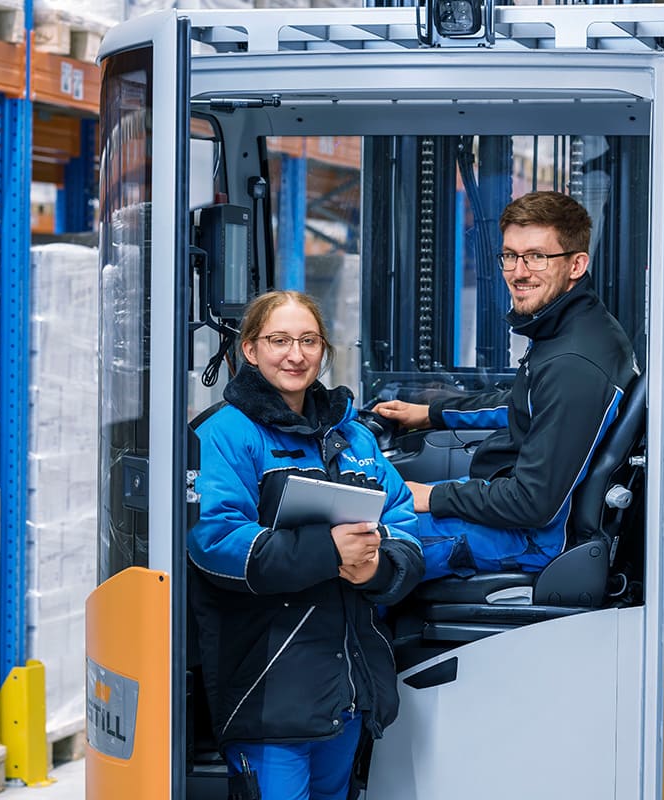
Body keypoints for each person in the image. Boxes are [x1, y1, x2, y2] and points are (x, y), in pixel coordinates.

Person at [189, 290, 423, 800]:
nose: (295, 355)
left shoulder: (354, 438)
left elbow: (404, 523)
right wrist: (329, 552)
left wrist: (378, 568)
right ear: (250, 350)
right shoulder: (224, 434)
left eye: (309, 341)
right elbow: (215, 541)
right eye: (279, 340)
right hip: (269, 691)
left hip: (347, 691)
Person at [373, 191, 638, 581]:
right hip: (510, 501)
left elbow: (533, 503)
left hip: (531, 538)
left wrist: (433, 496)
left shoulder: (572, 364)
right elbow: (525, 402)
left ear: (576, 264)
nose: (518, 272)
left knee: (362, 541)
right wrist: (432, 414)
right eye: (510, 256)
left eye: (536, 256)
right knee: (380, 509)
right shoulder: (568, 328)